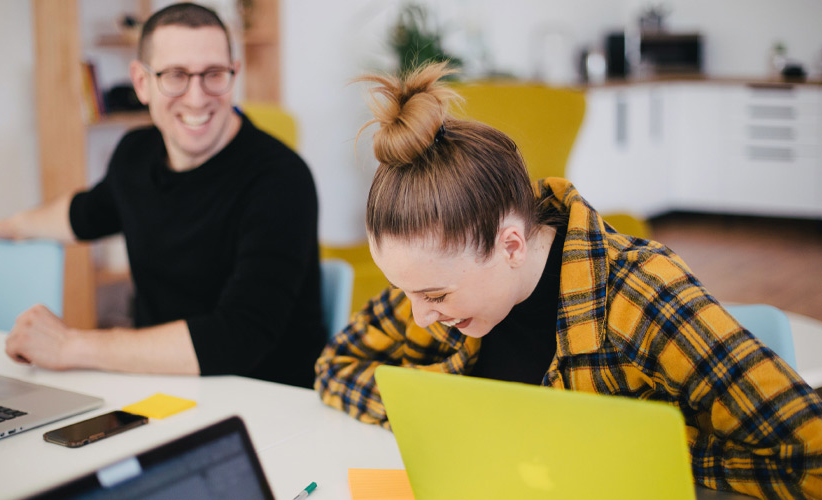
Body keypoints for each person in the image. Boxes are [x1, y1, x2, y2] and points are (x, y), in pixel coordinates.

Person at [314, 62, 822, 498]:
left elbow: (810, 454)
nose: (421, 316)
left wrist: (640, 452)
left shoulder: (640, 295)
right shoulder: (441, 280)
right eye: (406, 292)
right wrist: (454, 413)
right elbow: (336, 366)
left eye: (434, 296)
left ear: (510, 245)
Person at [0, 3, 325, 388]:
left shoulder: (281, 179)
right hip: (158, 386)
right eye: (175, 75)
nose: (197, 98)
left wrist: (71, 345)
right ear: (142, 82)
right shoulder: (135, 154)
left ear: (234, 75)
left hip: (266, 401)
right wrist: (0, 227)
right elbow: (85, 213)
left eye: (213, 74)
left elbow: (238, 337)